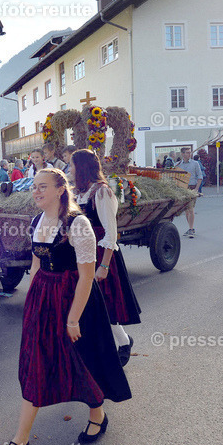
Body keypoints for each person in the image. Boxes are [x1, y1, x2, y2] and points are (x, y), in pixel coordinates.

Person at [0, 168, 130, 445]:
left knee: (81, 361)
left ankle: (98, 414)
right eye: (34, 188)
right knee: (37, 364)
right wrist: (34, 300)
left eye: (43, 187)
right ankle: (20, 439)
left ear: (60, 189)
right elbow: (36, 264)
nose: (36, 192)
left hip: (74, 300)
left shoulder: (78, 224)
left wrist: (72, 318)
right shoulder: (36, 221)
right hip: (44, 298)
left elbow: (86, 276)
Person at [71, 150, 141, 366]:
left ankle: (122, 342)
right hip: (84, 252)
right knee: (88, 303)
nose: (70, 170)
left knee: (103, 304)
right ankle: (109, 345)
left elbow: (111, 233)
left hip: (101, 254)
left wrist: (104, 266)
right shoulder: (79, 193)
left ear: (81, 167)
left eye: (72, 166)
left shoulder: (102, 193)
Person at [175, 147, 203, 237]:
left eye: (190, 152)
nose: (189, 154)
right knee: (186, 210)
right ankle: (190, 228)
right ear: (182, 154)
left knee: (190, 209)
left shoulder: (195, 164)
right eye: (187, 153)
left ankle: (191, 229)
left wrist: (196, 189)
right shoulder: (178, 165)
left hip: (192, 188)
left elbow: (200, 177)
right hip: (183, 189)